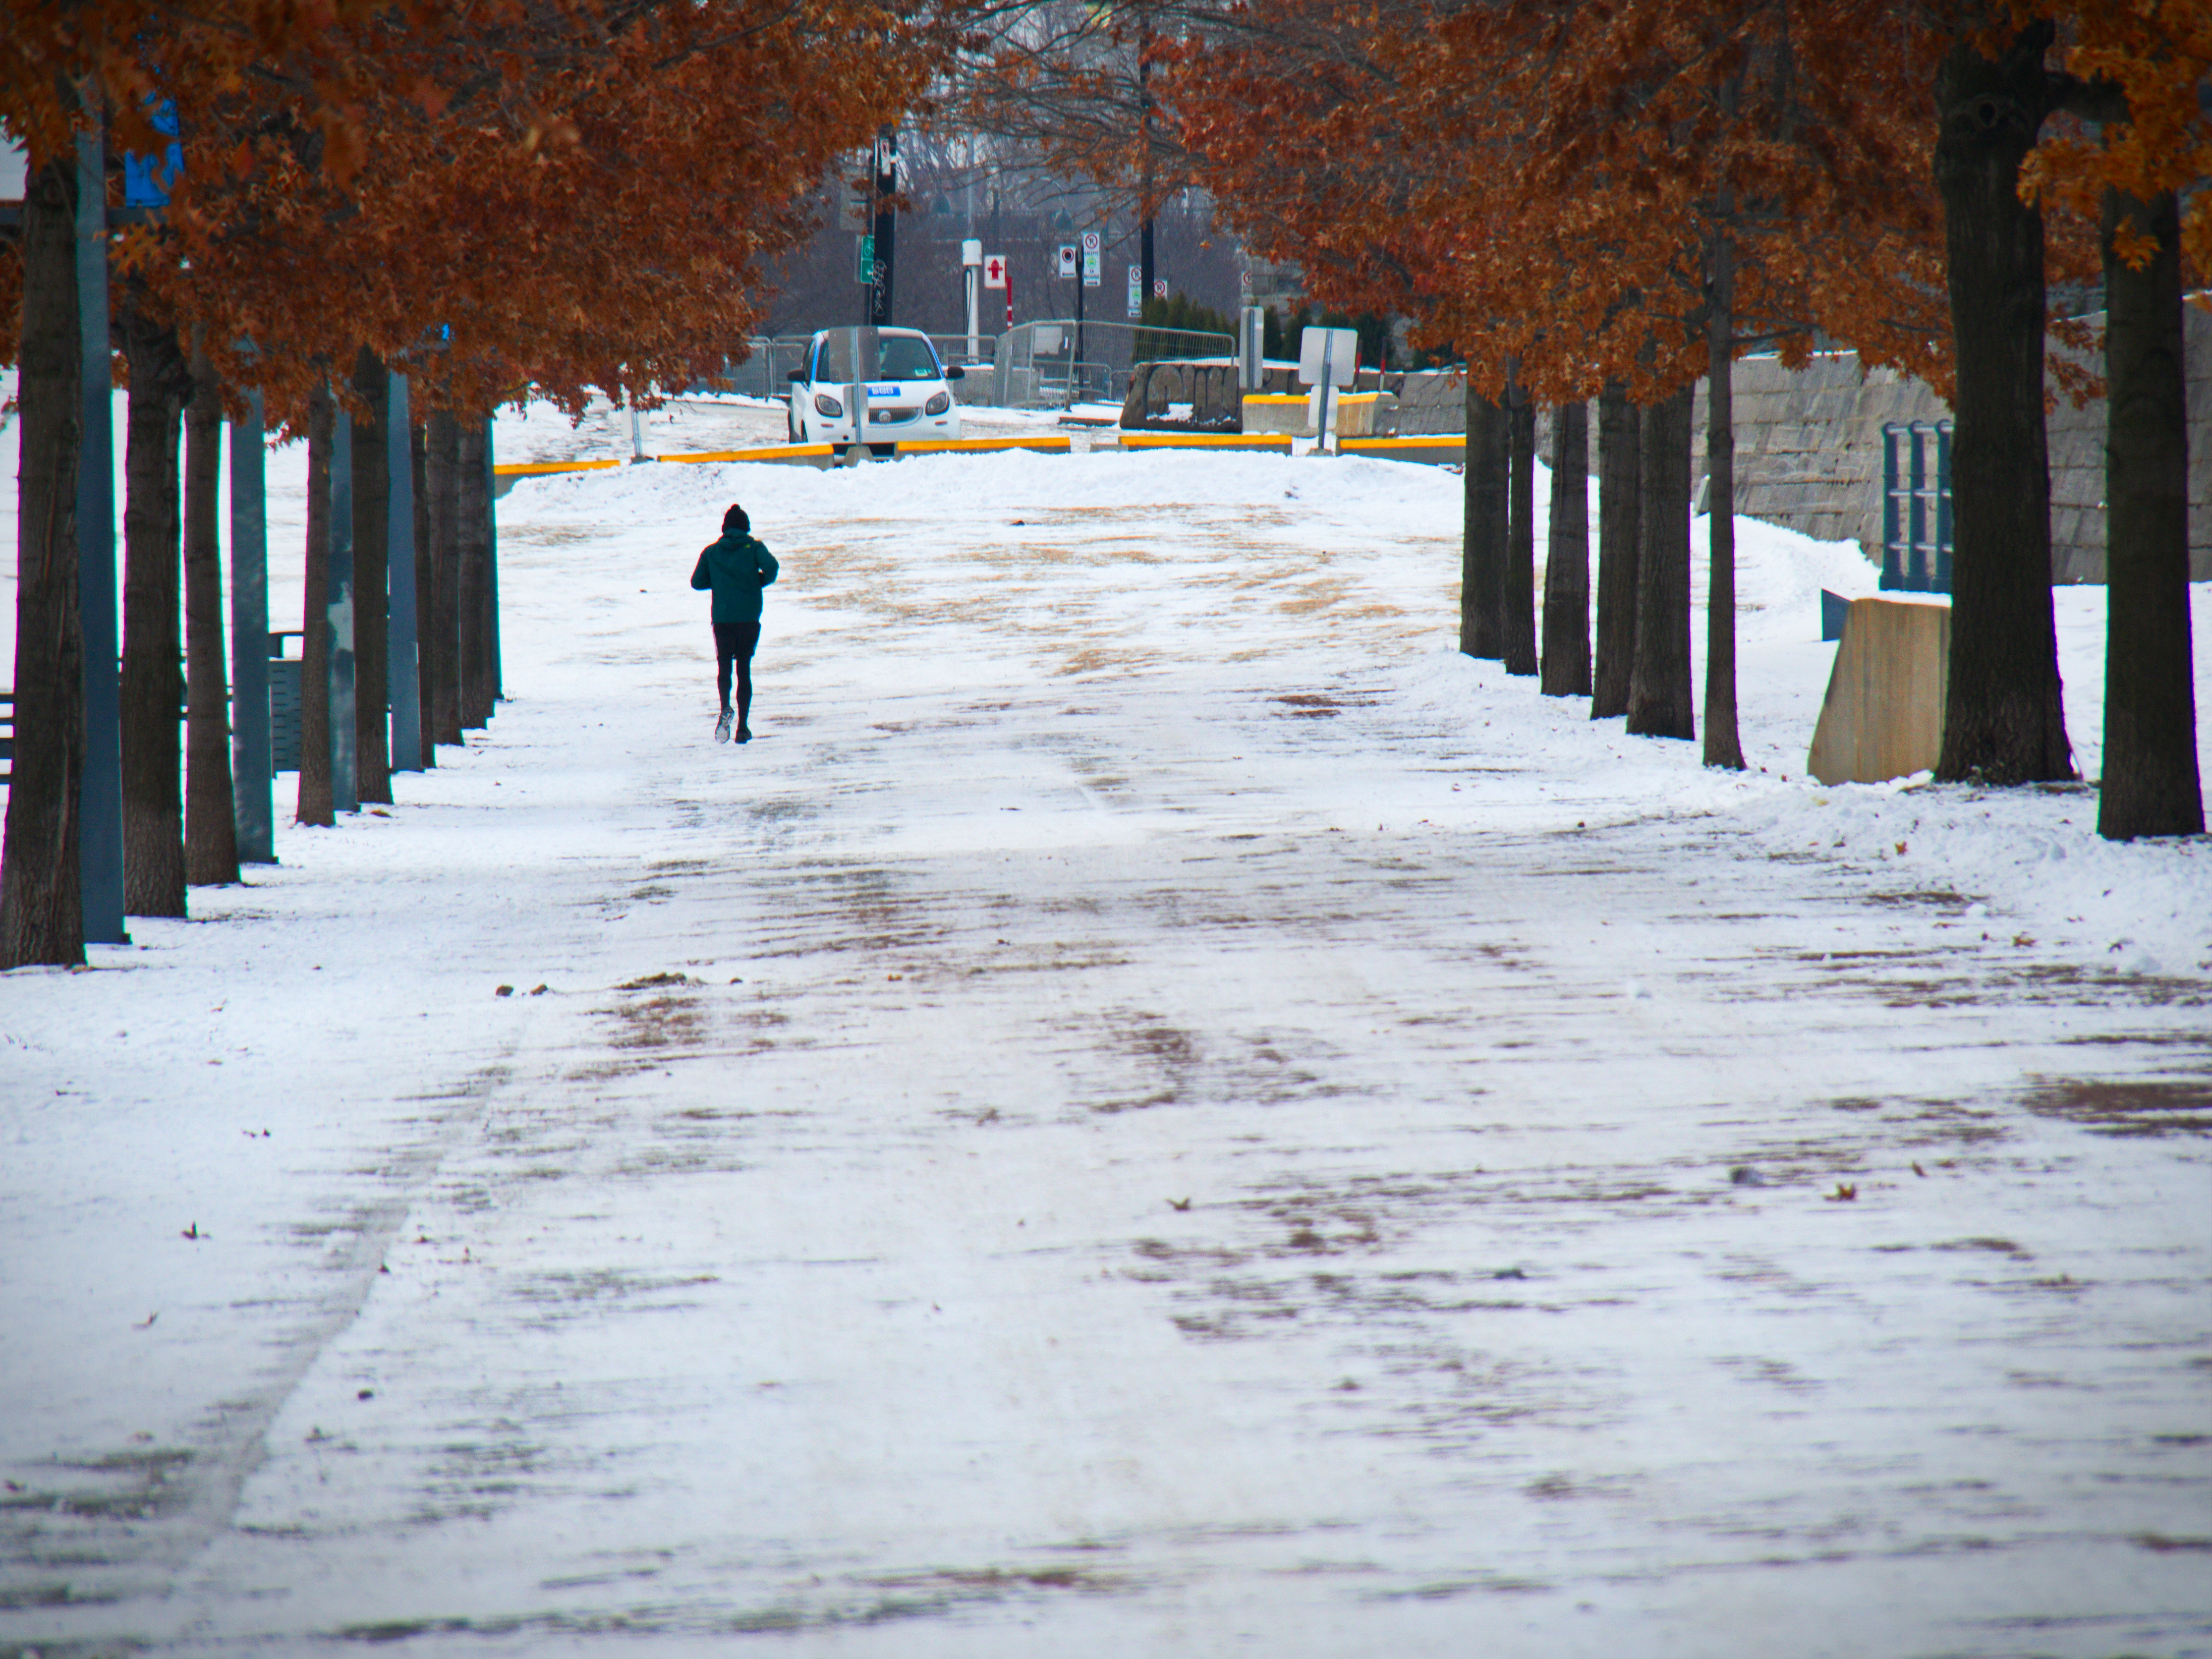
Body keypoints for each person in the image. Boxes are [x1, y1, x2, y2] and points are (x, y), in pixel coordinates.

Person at [690, 504, 780, 744]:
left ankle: (725, 708)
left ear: (725, 528)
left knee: (724, 669)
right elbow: (772, 568)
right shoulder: (754, 548)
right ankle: (743, 727)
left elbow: (697, 582)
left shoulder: (711, 552)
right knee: (744, 668)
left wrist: (721, 583)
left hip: (723, 619)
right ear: (746, 527)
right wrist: (756, 582)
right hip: (749, 618)